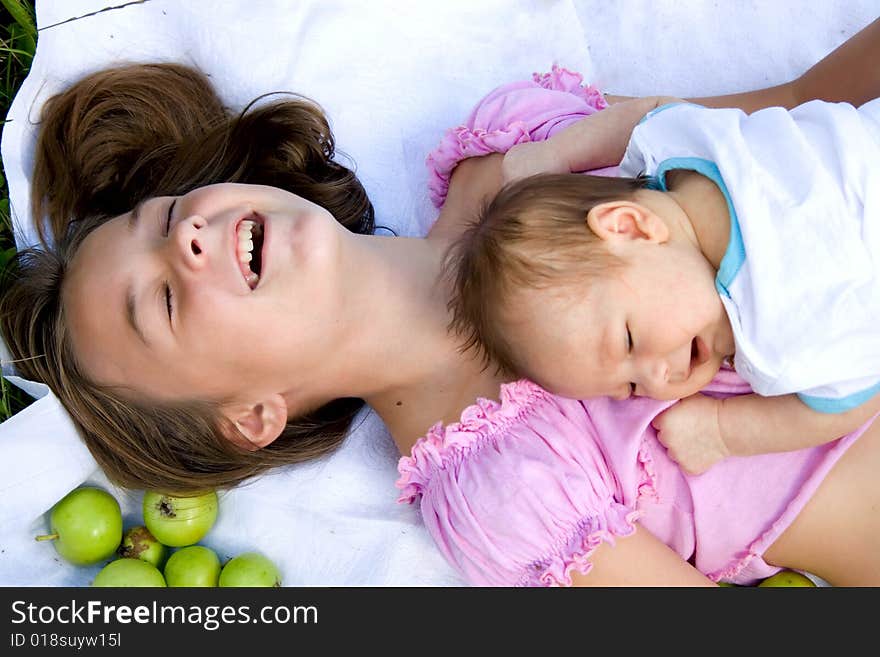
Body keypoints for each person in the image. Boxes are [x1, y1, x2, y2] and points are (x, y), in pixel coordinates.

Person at [2, 18, 880, 586]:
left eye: (165, 218)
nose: (188, 236)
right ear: (251, 415)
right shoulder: (503, 491)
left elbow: (797, 112)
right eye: (159, 301)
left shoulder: (521, 158)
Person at [447, 45, 880, 477]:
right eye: (632, 387)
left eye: (630, 341)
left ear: (629, 225)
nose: (656, 381)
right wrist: (555, 155)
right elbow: (646, 112)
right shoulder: (686, 150)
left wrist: (722, 430)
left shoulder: (777, 331)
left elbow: (850, 399)